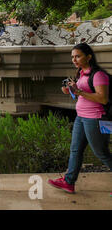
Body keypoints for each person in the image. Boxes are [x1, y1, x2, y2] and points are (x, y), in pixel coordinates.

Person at [48, 42, 112, 193]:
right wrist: (70, 90)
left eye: (78, 56)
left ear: (88, 57)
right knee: (75, 150)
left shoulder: (98, 75)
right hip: (81, 118)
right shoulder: (81, 74)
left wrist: (79, 92)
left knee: (101, 153)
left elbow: (102, 99)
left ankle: (69, 181)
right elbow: (81, 96)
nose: (74, 60)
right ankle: (69, 182)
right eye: (72, 57)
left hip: (96, 119)